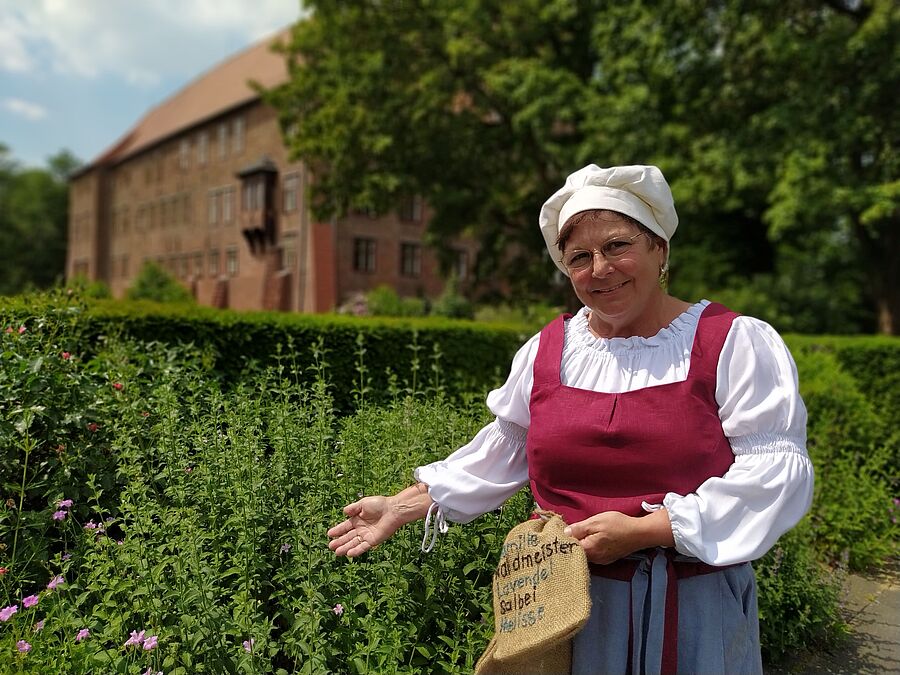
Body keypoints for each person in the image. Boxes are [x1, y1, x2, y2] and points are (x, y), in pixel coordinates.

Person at [327, 164, 814, 674]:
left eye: (618, 246)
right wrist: (401, 507)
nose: (600, 268)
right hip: (564, 607)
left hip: (688, 607)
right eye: (579, 257)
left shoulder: (732, 341)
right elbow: (504, 451)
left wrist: (651, 529)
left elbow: (773, 472)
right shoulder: (549, 350)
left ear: (660, 250)